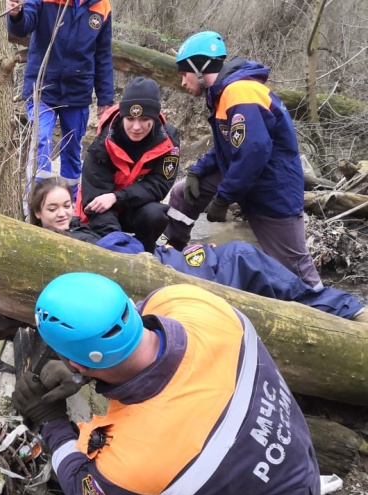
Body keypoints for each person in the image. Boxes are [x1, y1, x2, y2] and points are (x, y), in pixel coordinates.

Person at [11, 272, 345, 495]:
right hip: (294, 470)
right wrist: (79, 372)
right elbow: (126, 335)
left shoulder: (145, 452)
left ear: (76, 363)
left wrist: (51, 421)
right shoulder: (187, 301)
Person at [28, 177, 365, 319]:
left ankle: (339, 307)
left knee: (237, 256)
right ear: (38, 213)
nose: (62, 213)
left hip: (161, 259)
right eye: (52, 209)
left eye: (66, 205)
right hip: (160, 275)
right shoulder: (59, 247)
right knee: (242, 259)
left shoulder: (76, 227)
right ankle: (345, 309)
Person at [163, 31, 323, 290]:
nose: (182, 81)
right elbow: (227, 149)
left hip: (273, 189)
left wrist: (224, 197)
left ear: (201, 69)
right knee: (183, 192)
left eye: (184, 73)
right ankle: (171, 254)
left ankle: (334, 314)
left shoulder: (240, 92)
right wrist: (197, 171)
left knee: (295, 269)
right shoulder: (223, 93)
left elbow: (253, 152)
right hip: (248, 179)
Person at [6, 0, 113, 201]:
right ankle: (37, 204)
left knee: (72, 149)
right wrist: (16, 14)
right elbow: (23, 27)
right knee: (42, 141)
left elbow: (103, 54)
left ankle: (68, 206)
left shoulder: (102, 6)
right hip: (42, 85)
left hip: (78, 90)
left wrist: (105, 98)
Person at [77, 77, 179, 252]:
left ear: (154, 118)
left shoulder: (168, 141)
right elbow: (95, 197)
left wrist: (117, 197)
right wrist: (118, 247)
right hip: (99, 208)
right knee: (112, 244)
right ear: (123, 117)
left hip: (135, 207)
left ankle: (146, 255)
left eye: (144, 119)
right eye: (130, 119)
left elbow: (159, 185)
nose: (136, 127)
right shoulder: (103, 143)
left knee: (156, 214)